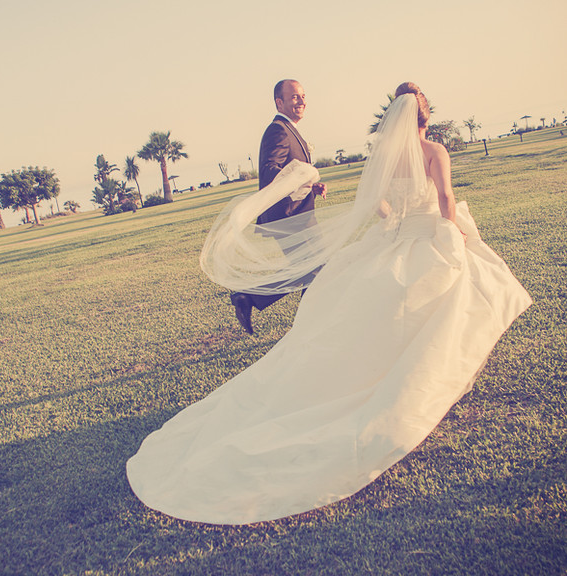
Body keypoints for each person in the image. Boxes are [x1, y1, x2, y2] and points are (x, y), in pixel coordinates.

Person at [126, 82, 532, 525]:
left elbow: (374, 202)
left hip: (394, 237)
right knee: (456, 293)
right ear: (425, 117)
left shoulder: (385, 156)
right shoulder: (433, 151)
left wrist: (396, 221)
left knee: (366, 307)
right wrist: (447, 232)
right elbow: (446, 199)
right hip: (424, 235)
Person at [230, 79, 327, 334]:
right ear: (279, 102)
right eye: (295, 97)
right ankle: (307, 328)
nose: (302, 101)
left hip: (300, 214)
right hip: (288, 217)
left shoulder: (290, 129)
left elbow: (288, 173)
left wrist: (310, 187)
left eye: (303, 96)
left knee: (312, 271)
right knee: (315, 269)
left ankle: (308, 326)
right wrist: (304, 179)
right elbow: (270, 171)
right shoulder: (278, 130)